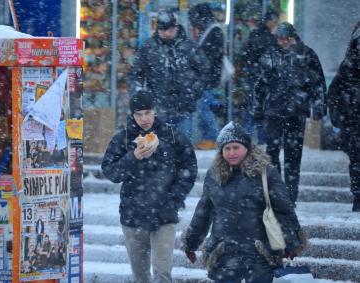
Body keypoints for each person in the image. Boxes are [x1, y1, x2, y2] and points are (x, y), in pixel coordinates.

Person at [181, 121, 306, 283]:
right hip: (223, 252)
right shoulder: (214, 175)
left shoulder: (266, 173)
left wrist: (291, 242)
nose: (232, 153)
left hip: (259, 252)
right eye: (227, 148)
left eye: (236, 147)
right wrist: (191, 242)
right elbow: (203, 211)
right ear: (221, 151)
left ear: (247, 148)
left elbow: (283, 210)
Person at [101, 91, 197, 283]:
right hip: (133, 214)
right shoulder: (124, 137)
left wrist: (174, 197)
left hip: (165, 213)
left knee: (163, 274)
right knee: (140, 276)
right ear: (132, 115)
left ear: (154, 111)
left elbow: (189, 168)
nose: (144, 119)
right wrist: (132, 157)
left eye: (147, 112)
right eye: (138, 114)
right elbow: (110, 172)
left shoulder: (172, 135)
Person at [253, 22, 326, 203]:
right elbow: (259, 85)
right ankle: (276, 192)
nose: (284, 42)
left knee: (293, 154)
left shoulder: (306, 55)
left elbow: (318, 84)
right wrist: (257, 108)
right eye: (281, 39)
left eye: (287, 39)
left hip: (296, 111)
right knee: (272, 153)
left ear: (293, 37)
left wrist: (318, 106)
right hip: (275, 110)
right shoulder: (269, 55)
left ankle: (290, 195)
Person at [129, 8, 210, 138]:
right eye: (162, 30)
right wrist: (140, 97)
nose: (166, 33)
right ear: (157, 29)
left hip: (184, 106)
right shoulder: (149, 48)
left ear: (176, 27)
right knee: (159, 149)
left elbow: (205, 71)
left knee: (183, 147)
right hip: (157, 108)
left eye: (169, 29)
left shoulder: (189, 47)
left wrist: (194, 91)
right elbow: (136, 74)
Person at [328, 22, 360, 211]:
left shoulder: (348, 65)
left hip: (352, 120)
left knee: (356, 161)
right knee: (357, 161)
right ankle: (358, 197)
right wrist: (339, 119)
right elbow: (334, 94)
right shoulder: (348, 66)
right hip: (354, 121)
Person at [239, 9, 280, 144]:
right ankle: (262, 139)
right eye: (275, 21)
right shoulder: (269, 38)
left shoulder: (255, 34)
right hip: (263, 78)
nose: (276, 24)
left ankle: (247, 138)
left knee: (251, 109)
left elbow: (246, 54)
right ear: (269, 22)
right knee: (262, 110)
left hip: (253, 76)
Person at [188, 3, 225, 150]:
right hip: (207, 79)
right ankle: (208, 138)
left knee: (204, 108)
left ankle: (214, 137)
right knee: (204, 108)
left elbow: (209, 58)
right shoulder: (210, 31)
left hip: (209, 80)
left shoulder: (214, 31)